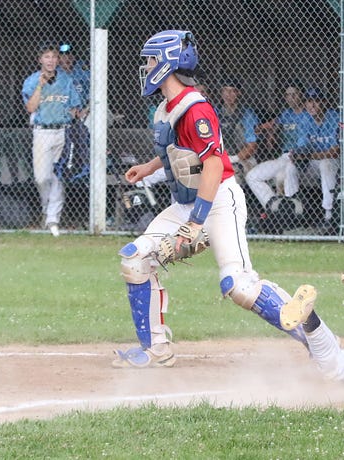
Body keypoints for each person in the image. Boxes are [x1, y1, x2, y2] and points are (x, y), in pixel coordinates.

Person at [112, 30, 306, 369]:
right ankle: (155, 350)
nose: (147, 67)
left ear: (168, 64)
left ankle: (319, 341)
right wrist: (148, 167)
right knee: (135, 260)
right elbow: (180, 152)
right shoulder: (166, 108)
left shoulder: (195, 108)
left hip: (217, 201)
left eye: (152, 60)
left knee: (239, 286)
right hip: (187, 204)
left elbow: (214, 164)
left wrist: (196, 222)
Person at [22, 43, 81, 236]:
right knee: (42, 177)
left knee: (58, 175)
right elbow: (30, 108)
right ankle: (46, 209)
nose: (51, 61)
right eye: (47, 57)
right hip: (42, 132)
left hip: (62, 131)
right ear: (40, 60)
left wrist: (71, 115)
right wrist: (40, 84)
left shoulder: (66, 80)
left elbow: (75, 107)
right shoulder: (32, 81)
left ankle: (52, 219)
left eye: (54, 57)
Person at [245, 82, 310, 226]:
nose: (290, 98)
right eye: (287, 95)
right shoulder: (287, 114)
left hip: (301, 159)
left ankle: (291, 217)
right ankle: (274, 209)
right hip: (284, 157)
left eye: (294, 94)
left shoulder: (307, 114)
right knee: (252, 176)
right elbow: (274, 123)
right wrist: (264, 129)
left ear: (301, 96)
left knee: (283, 175)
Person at [284, 87, 341, 235]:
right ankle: (293, 212)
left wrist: (309, 155)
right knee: (290, 167)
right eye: (309, 101)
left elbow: (335, 151)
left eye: (317, 101)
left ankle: (328, 216)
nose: (313, 105)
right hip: (313, 163)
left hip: (334, 163)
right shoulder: (305, 119)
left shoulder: (334, 117)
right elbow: (302, 147)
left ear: (324, 103)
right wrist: (297, 155)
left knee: (326, 163)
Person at [215, 78, 260, 184]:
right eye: (225, 90)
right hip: (222, 158)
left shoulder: (246, 114)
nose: (228, 94)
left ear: (238, 93)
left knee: (232, 178)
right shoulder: (217, 112)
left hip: (243, 159)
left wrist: (233, 159)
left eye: (232, 91)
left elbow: (252, 146)